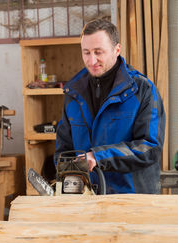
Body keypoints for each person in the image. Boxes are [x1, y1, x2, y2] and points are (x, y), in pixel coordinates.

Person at [55, 19, 166, 194]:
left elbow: (149, 147)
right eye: (86, 53)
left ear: (117, 50)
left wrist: (98, 157)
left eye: (98, 52)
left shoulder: (142, 90)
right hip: (87, 200)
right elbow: (64, 150)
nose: (92, 61)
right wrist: (70, 185)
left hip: (133, 201)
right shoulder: (73, 93)